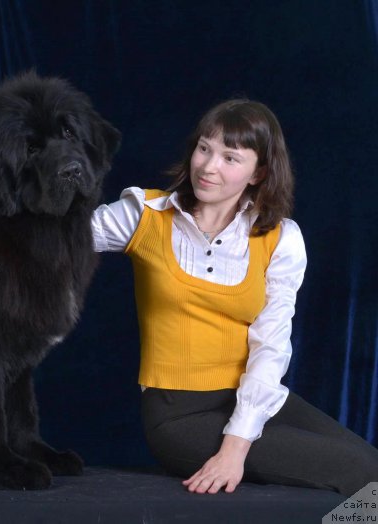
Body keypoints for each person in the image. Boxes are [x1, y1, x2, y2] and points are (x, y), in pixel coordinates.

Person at [91, 99, 378, 497]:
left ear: (258, 172)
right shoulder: (146, 214)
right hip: (178, 416)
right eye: (204, 148)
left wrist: (236, 445)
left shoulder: (282, 239)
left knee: (373, 472)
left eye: (230, 157)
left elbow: (272, 344)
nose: (208, 167)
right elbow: (58, 237)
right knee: (355, 471)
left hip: (253, 399)